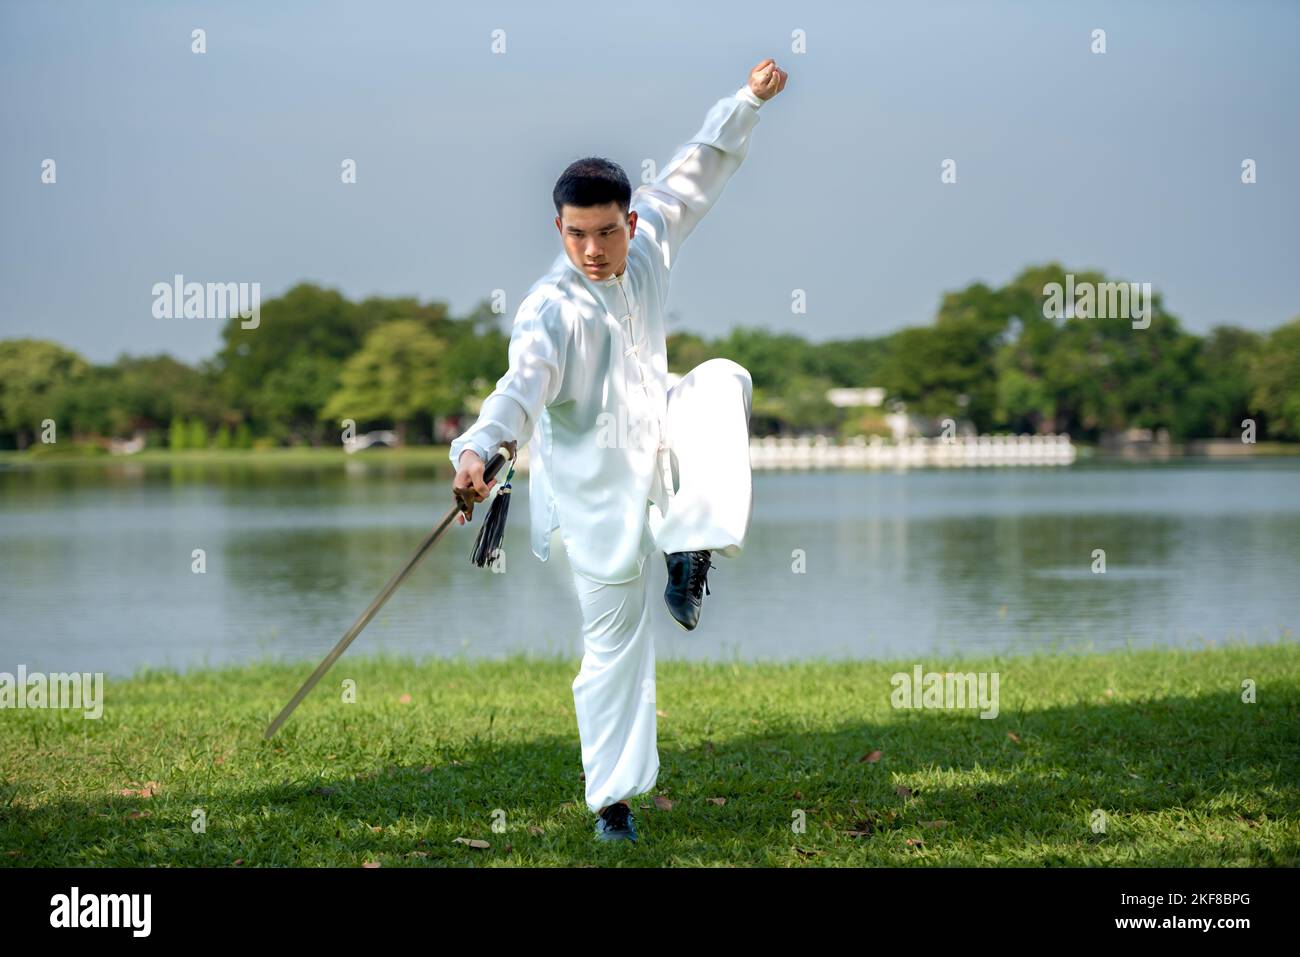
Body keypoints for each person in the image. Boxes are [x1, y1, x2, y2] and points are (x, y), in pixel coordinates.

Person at [450, 58, 788, 843]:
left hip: (660, 464)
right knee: (614, 655)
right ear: (557, 228)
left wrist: (748, 101)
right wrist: (480, 447)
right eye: (578, 233)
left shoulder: (650, 241)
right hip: (593, 505)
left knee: (722, 379)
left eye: (607, 231)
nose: (594, 249)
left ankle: (688, 551)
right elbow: (517, 388)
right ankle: (614, 806)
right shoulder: (549, 311)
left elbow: (698, 169)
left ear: (630, 222)